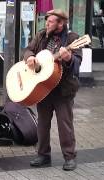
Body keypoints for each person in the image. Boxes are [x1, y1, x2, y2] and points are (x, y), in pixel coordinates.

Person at [23, 9, 82, 171]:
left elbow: (77, 63)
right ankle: (43, 155)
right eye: (46, 21)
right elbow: (28, 49)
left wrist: (69, 58)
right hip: (43, 87)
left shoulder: (72, 39)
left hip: (63, 90)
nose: (46, 24)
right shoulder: (42, 35)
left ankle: (69, 157)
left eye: (50, 21)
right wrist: (29, 57)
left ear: (60, 23)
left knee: (65, 124)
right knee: (42, 124)